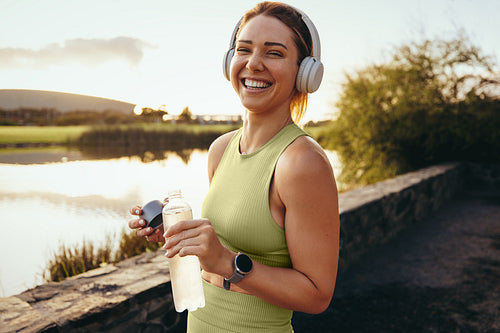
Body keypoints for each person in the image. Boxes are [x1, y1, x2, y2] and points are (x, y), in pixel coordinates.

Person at [128, 2, 339, 332]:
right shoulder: (220, 150)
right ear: (230, 62)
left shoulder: (302, 162)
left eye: (274, 53)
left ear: (304, 72)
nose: (253, 64)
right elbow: (225, 245)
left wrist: (227, 263)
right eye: (244, 49)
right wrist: (180, 235)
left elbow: (317, 295)